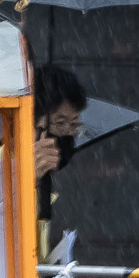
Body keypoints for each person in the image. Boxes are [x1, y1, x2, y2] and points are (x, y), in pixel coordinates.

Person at [30, 65, 85, 263]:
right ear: (33, 122)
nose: (68, 134)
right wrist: (25, 182)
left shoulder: (44, 179)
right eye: (60, 123)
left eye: (74, 125)